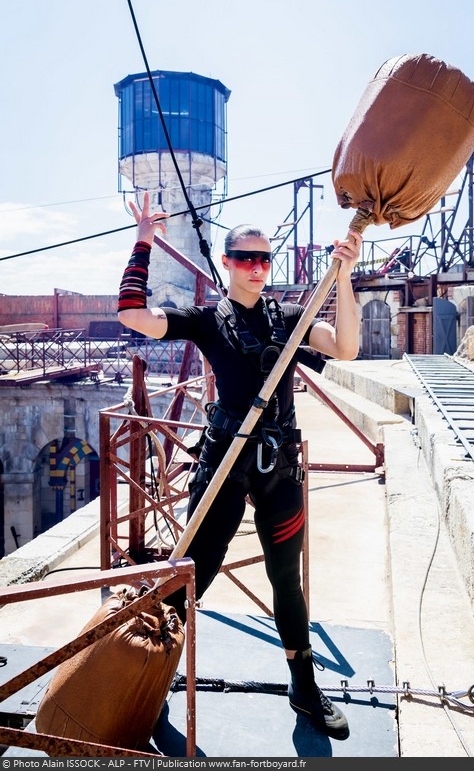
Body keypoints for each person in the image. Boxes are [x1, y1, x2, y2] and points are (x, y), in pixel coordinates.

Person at [118, 192, 362, 738]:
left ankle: (304, 690)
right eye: (245, 258)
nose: (256, 268)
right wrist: (144, 242)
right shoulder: (208, 321)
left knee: (285, 580)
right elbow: (134, 314)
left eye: (264, 259)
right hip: (224, 462)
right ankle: (153, 679)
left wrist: (344, 275)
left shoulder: (291, 322)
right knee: (192, 576)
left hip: (279, 467)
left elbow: (346, 347)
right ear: (227, 263)